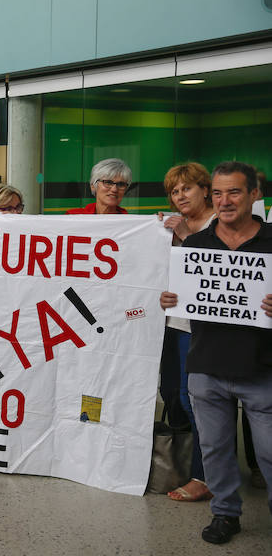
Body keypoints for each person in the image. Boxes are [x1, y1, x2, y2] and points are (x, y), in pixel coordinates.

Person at [159, 161, 272, 545]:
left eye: (235, 192)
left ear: (255, 194)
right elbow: (181, 295)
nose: (225, 201)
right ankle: (225, 513)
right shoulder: (196, 245)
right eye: (219, 192)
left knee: (270, 452)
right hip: (206, 364)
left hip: (261, 367)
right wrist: (170, 299)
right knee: (215, 448)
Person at [156, 163, 215, 502]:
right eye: (175, 191)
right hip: (171, 324)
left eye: (186, 188)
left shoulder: (216, 225)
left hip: (202, 331)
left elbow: (217, 266)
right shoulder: (172, 228)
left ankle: (204, 476)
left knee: (198, 402)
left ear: (205, 190)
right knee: (173, 394)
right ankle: (184, 463)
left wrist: (184, 237)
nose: (180, 196)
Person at [66, 158, 131, 214]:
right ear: (93, 186)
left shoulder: (132, 223)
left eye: (121, 184)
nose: (114, 189)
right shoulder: (74, 217)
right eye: (108, 182)